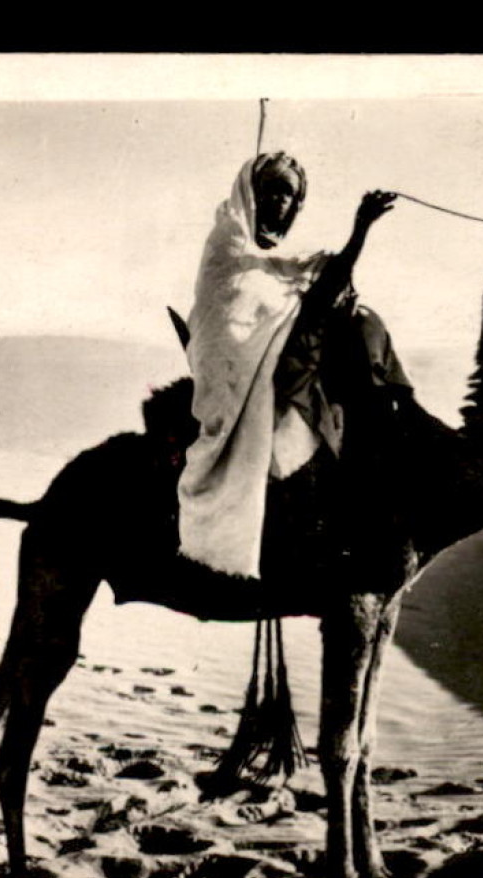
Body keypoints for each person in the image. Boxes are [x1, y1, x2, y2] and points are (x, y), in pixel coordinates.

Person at [176, 151, 409, 580]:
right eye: (272, 190)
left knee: (364, 322)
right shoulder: (227, 245)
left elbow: (326, 286)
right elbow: (227, 326)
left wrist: (361, 229)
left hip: (277, 369)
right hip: (233, 377)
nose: (280, 201)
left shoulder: (290, 264)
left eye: (289, 194)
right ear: (252, 193)